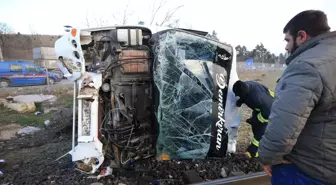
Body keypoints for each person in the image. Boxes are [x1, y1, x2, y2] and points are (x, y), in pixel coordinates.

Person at [258, 10, 336, 185]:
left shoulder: (307, 66)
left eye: (287, 40)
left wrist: (268, 157)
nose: (286, 47)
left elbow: (284, 124)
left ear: (301, 36)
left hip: (308, 171)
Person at [232, 80, 274, 158]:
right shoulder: (246, 85)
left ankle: (253, 152)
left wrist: (256, 120)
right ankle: (259, 149)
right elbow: (244, 95)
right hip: (261, 108)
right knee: (255, 127)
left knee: (260, 131)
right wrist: (240, 101)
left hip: (270, 111)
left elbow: (267, 114)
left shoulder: (257, 98)